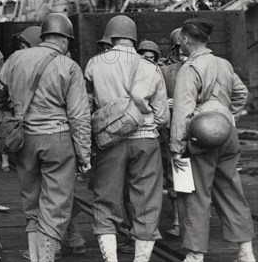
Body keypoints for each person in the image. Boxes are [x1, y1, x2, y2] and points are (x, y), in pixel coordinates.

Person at [0, 13, 91, 262]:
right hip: (58, 140)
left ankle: (36, 258)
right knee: (55, 205)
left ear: (43, 36)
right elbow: (79, 117)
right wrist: (84, 155)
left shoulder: (16, 58)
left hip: (25, 140)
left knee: (32, 203)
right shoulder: (69, 66)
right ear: (65, 40)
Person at [85, 15, 168, 262]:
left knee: (105, 198)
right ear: (133, 38)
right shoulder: (151, 67)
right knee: (147, 201)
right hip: (146, 140)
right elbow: (162, 116)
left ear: (110, 38)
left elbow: (87, 105)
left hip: (110, 142)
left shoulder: (94, 64)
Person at [171, 18, 255, 262]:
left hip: (200, 140)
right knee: (231, 191)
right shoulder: (224, 64)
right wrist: (226, 114)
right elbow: (242, 94)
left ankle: (195, 254)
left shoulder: (190, 68)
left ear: (186, 40)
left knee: (194, 196)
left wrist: (176, 148)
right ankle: (246, 251)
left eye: (181, 42)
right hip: (227, 135)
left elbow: (182, 112)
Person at [159, 26, 186, 239]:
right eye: (178, 47)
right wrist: (164, 103)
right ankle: (179, 221)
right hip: (173, 130)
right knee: (176, 173)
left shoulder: (197, 66)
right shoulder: (164, 69)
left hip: (194, 129)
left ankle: (187, 221)